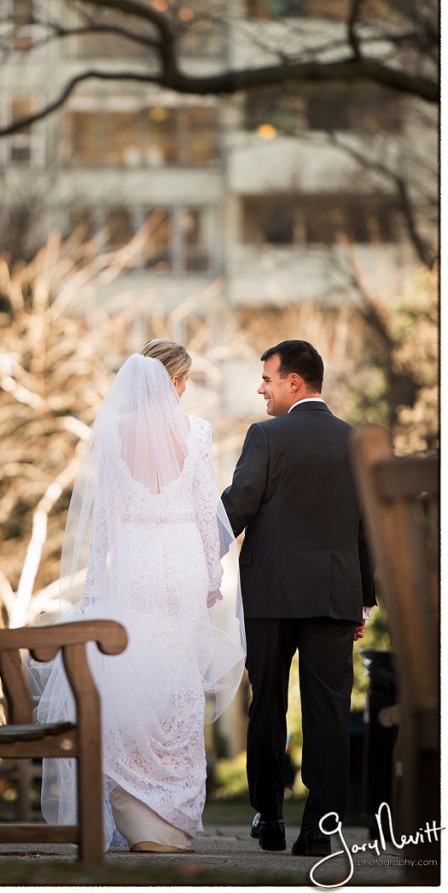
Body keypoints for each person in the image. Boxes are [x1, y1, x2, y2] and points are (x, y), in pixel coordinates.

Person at [31, 340, 246, 853]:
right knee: (177, 676)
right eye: (185, 379)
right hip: (179, 559)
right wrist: (211, 575)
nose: (186, 388)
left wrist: (96, 591)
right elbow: (203, 511)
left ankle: (137, 814)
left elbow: (104, 519)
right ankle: (171, 820)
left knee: (130, 675)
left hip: (133, 562)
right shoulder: (196, 432)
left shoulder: (113, 435)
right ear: (172, 381)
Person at [222, 340, 376, 857]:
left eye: (266, 378)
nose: (260, 388)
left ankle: (269, 813)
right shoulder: (356, 442)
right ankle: (321, 830)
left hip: (269, 595)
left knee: (266, 706)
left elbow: (235, 509)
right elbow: (368, 528)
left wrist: (190, 549)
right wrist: (364, 600)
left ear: (294, 382)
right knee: (328, 711)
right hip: (335, 594)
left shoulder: (265, 436)